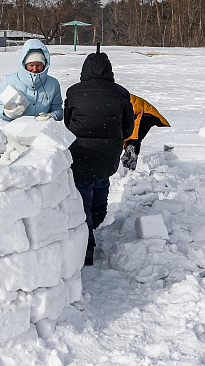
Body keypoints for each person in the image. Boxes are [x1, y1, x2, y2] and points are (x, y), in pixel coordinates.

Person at [64, 43, 134, 266]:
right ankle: (97, 218)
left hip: (80, 152)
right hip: (108, 153)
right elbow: (129, 128)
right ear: (109, 70)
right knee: (101, 181)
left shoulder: (74, 92)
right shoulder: (122, 93)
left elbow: (67, 124)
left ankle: (87, 244)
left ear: (84, 70)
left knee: (83, 191)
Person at [0, 39, 64, 121]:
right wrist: (6, 113)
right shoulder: (9, 80)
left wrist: (51, 116)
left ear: (45, 65)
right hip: (14, 130)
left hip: (41, 131)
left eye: (39, 65)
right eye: (31, 65)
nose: (35, 69)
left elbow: (58, 110)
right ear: (24, 64)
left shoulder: (53, 84)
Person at [121, 94, 170, 170]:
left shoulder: (123, 99)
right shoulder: (117, 97)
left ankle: (130, 164)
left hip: (146, 116)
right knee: (131, 139)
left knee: (135, 139)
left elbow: (135, 111)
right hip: (139, 114)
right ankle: (127, 161)